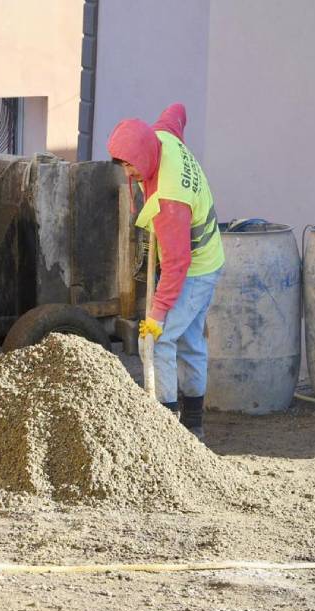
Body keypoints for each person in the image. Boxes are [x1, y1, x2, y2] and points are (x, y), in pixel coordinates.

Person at [107, 103, 224, 440]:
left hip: (194, 269)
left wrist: (156, 317)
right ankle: (193, 425)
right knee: (190, 341)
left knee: (158, 342)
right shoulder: (163, 136)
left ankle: (168, 431)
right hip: (209, 256)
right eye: (123, 165)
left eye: (131, 164)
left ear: (144, 155)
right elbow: (177, 111)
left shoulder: (170, 201)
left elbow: (176, 265)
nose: (129, 172)